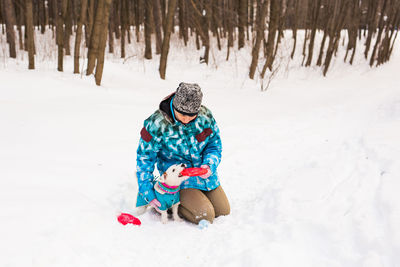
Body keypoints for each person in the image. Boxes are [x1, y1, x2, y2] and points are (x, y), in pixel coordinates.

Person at [135, 82, 230, 224]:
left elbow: (214, 145)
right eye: (182, 114)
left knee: (223, 211)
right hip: (178, 181)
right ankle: (168, 205)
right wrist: (148, 191)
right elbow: (144, 158)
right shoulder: (156, 123)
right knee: (206, 215)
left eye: (191, 116)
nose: (186, 119)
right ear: (174, 106)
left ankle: (195, 198)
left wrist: (209, 165)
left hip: (204, 176)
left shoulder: (205, 117)